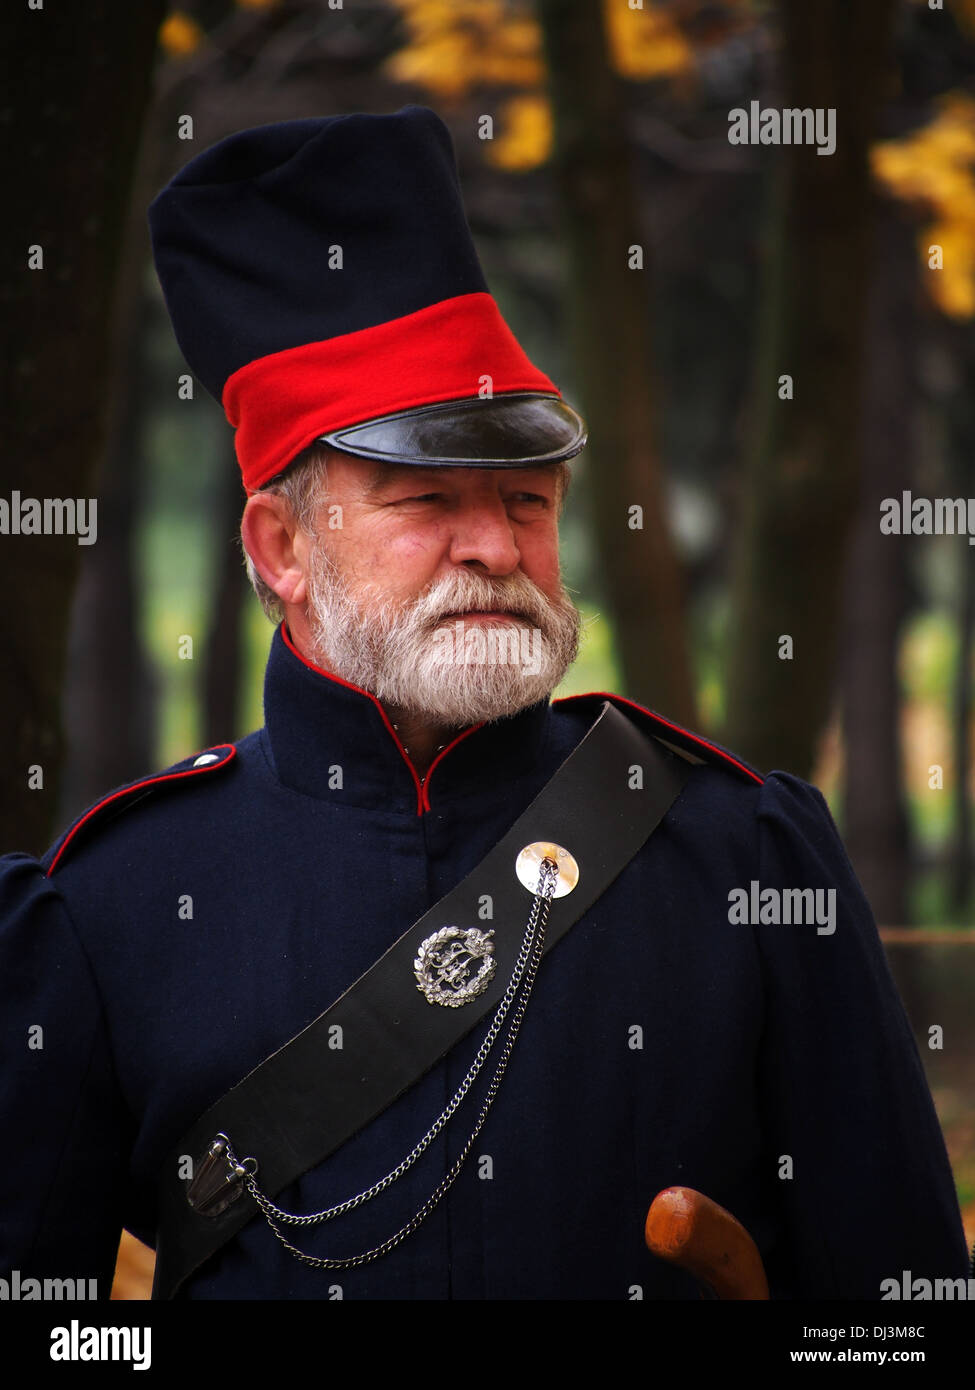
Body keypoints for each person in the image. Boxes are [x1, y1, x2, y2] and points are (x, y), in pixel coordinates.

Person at [0, 106, 967, 1302]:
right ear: (282, 543)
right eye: (427, 499)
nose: (494, 547)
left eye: (526, 501)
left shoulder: (745, 853)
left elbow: (905, 1320)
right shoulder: (108, 909)